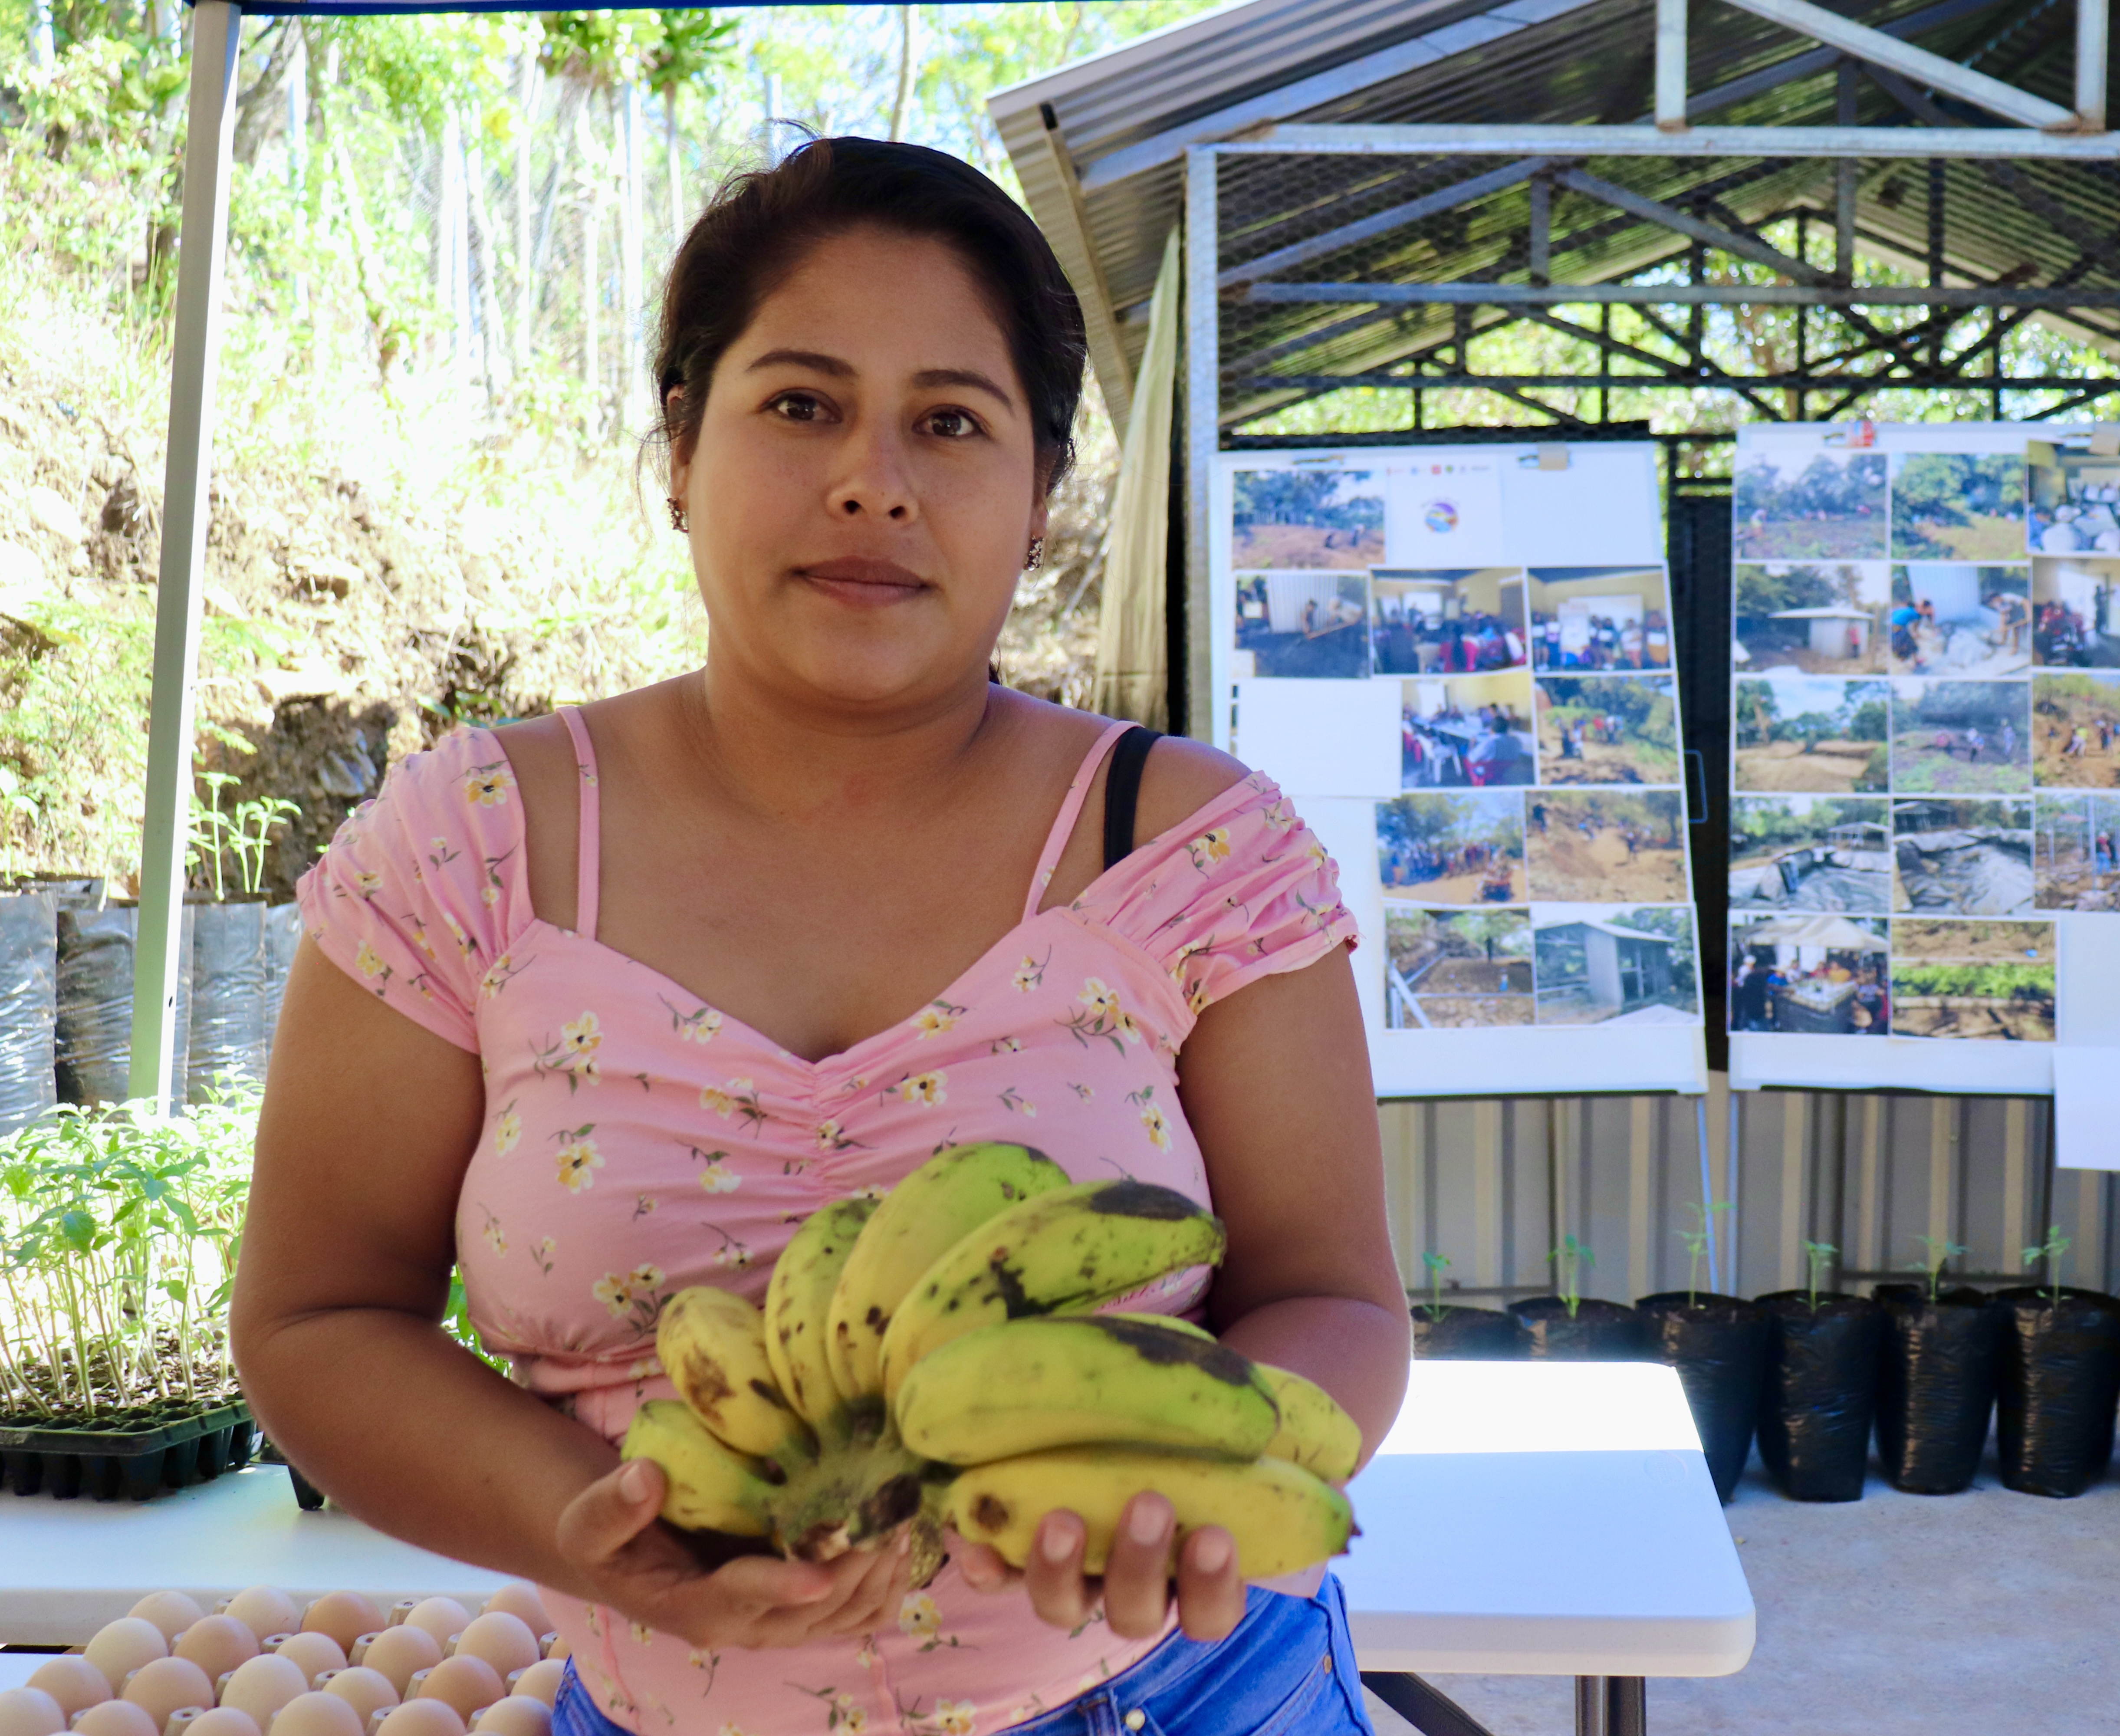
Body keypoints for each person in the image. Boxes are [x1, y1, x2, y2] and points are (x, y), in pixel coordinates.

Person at [231, 140, 1407, 1736]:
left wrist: (1195, 1489)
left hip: (1187, 1699)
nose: (874, 480)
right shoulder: (471, 848)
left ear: (1042, 494)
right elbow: (318, 1317)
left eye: (950, 421)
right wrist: (591, 1530)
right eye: (800, 404)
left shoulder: (1196, 850)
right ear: (680, 450)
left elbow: (1336, 1295)